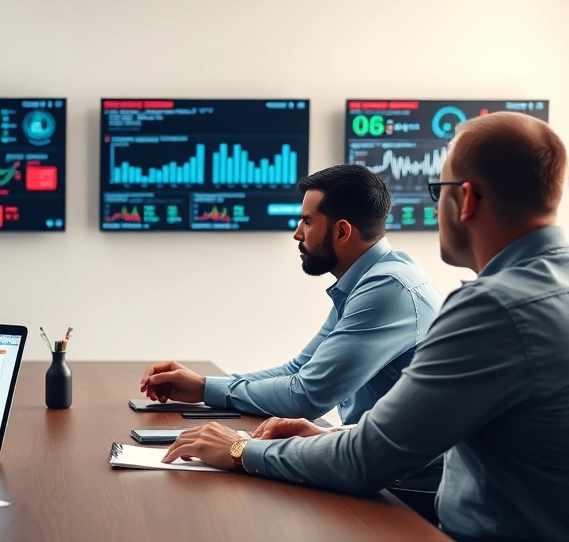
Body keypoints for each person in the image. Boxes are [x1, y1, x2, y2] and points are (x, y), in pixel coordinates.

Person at [162, 112, 569, 542]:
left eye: (439, 191)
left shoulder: (489, 310)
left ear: (465, 199)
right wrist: (332, 436)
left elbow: (363, 457)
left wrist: (240, 448)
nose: (435, 207)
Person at [141, 164, 443, 425]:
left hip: (405, 486)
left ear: (342, 232)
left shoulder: (387, 288)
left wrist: (207, 390)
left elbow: (307, 397)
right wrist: (204, 386)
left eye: (307, 221)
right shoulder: (368, 279)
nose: (298, 233)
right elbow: (298, 370)